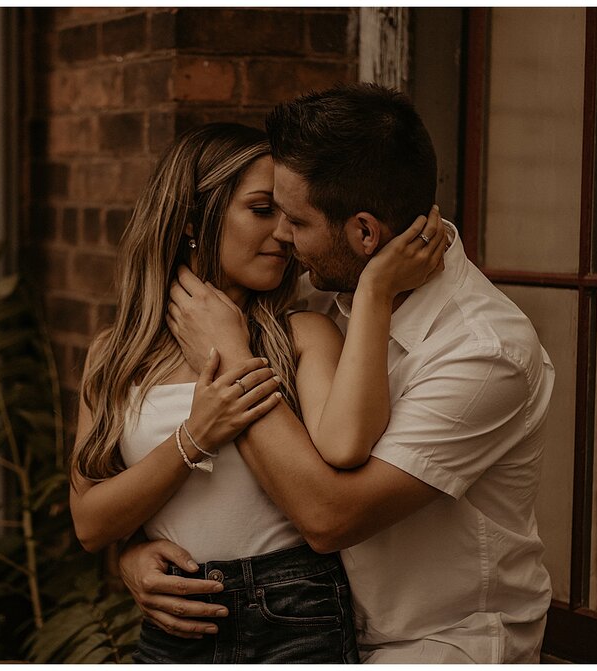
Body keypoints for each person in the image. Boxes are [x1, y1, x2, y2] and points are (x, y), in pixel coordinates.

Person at [119, 84, 555, 663]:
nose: (283, 239)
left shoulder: (485, 353)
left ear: (365, 233)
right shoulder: (324, 297)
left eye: (295, 221)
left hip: (437, 640)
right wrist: (132, 553)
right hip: (321, 625)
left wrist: (227, 354)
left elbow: (328, 516)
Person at [69, 122, 443, 664]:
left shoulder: (303, 336)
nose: (286, 235)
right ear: (195, 219)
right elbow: (89, 523)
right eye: (263, 210)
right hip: (176, 619)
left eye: (291, 218)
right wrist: (194, 438)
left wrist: (373, 292)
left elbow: (346, 448)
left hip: (295, 612)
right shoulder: (115, 355)